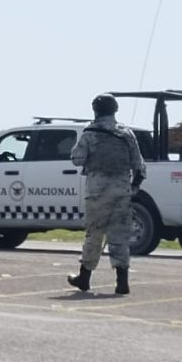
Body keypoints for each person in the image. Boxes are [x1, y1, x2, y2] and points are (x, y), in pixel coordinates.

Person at [68, 93, 146, 295]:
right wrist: (132, 189)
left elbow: (77, 159)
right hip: (122, 188)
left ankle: (84, 278)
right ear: (115, 110)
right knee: (119, 235)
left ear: (95, 110)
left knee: (94, 233)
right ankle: (122, 282)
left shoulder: (90, 133)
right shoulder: (126, 133)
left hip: (98, 188)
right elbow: (139, 167)